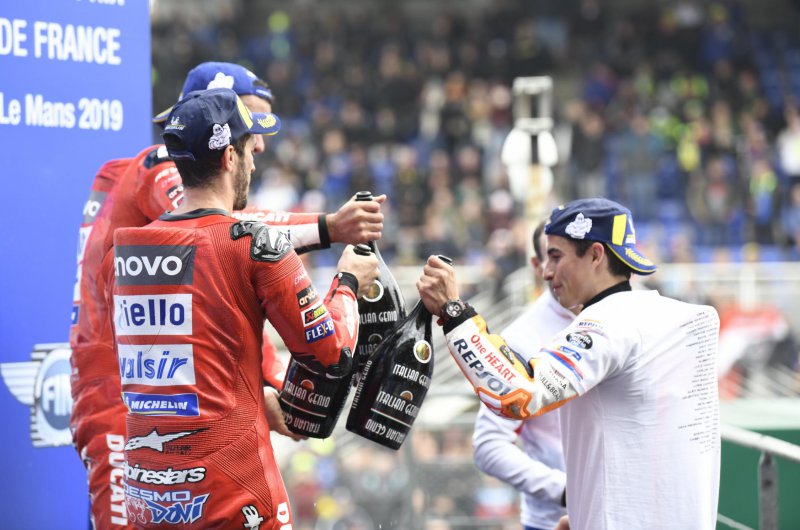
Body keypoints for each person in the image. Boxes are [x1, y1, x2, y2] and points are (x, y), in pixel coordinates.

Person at [69, 62, 385, 530]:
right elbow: (227, 234)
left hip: (156, 409)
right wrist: (335, 248)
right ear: (226, 152)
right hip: (131, 405)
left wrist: (270, 384)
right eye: (248, 127)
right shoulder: (162, 171)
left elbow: (223, 314)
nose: (259, 147)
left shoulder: (134, 244)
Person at [418, 198, 721, 530]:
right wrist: (583, 511)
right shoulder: (694, 319)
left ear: (595, 255)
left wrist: (453, 312)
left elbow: (517, 395)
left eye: (556, 256)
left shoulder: (606, 323)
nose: (546, 272)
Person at [472, 222, 574, 530]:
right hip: (550, 521)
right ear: (537, 265)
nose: (559, 267)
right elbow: (489, 445)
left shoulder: (623, 319)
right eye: (552, 256)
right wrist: (565, 491)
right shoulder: (521, 338)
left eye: (570, 254)